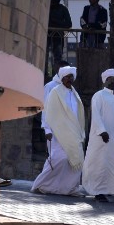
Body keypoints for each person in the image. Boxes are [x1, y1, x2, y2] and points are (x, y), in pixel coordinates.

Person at [82, 68, 114, 203]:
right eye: (111, 79)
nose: (113, 82)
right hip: (102, 138)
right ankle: (99, 192)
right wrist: (102, 131)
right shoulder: (99, 95)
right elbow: (96, 115)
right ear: (105, 80)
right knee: (100, 165)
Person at [31, 66, 85, 195]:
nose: (69, 79)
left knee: (76, 160)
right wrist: (47, 129)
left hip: (74, 133)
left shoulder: (74, 93)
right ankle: (40, 184)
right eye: (67, 77)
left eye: (71, 77)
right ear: (62, 78)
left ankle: (70, 188)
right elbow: (47, 111)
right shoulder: (55, 92)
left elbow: (78, 114)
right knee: (58, 159)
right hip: (58, 133)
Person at [47, 0, 71, 72]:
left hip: (58, 36)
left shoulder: (63, 9)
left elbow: (68, 24)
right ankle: (44, 72)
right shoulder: (47, 8)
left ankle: (56, 73)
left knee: (57, 56)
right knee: (44, 54)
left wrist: (55, 22)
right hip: (47, 35)